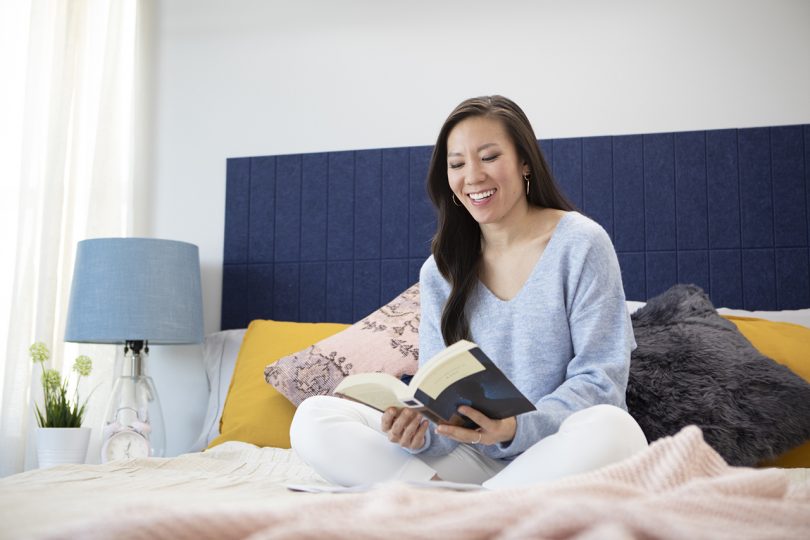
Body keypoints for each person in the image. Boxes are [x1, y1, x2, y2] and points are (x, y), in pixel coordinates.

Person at [291, 95, 647, 489]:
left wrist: (515, 428)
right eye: (457, 164)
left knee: (616, 430)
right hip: (467, 458)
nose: (472, 176)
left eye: (489, 157)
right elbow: (439, 401)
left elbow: (601, 381)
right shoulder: (440, 271)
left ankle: (450, 506)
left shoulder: (581, 244)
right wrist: (418, 428)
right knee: (313, 419)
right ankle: (482, 506)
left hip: (554, 451)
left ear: (525, 161)